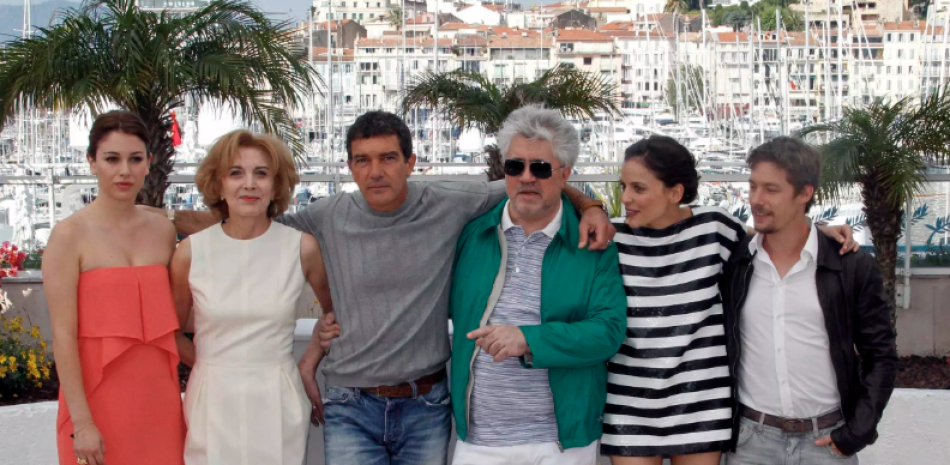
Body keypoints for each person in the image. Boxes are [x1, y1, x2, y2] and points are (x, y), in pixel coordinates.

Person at [160, 110, 614, 465]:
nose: (375, 171)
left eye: (388, 158)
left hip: (426, 403)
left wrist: (590, 204)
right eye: (363, 160)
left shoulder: (449, 202)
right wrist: (159, 223)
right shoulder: (325, 216)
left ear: (411, 162)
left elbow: (529, 181)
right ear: (351, 167)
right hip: (349, 406)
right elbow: (249, 226)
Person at [601, 136, 858, 465]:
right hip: (629, 402)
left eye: (638, 188)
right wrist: (589, 205)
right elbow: (552, 194)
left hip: (701, 400)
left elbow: (772, 237)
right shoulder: (611, 236)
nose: (625, 199)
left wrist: (822, 230)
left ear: (675, 193)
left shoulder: (715, 228)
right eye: (623, 187)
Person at [447, 106, 627, 464]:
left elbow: (608, 332)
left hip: (561, 441)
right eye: (515, 166)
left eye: (540, 168)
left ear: (565, 174)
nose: (526, 177)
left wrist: (527, 339)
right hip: (481, 441)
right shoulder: (472, 234)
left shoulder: (592, 243)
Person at [720, 137, 897, 465]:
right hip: (750, 444)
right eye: (753, 186)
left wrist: (857, 432)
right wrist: (593, 207)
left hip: (827, 444)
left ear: (804, 193)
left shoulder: (849, 265)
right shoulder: (735, 261)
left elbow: (881, 357)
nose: (756, 200)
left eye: (771, 190)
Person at [170, 130, 333, 465]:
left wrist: (308, 362)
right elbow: (171, 330)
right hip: (211, 398)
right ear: (218, 184)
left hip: (278, 397)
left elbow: (336, 312)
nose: (249, 184)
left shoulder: (301, 247)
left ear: (276, 185)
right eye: (236, 173)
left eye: (261, 173)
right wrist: (209, 366)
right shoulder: (191, 252)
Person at [45, 110, 185, 465]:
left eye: (135, 159)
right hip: (94, 410)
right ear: (92, 162)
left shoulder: (163, 231)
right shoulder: (68, 236)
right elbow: (63, 336)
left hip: (160, 407)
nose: (125, 170)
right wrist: (82, 423)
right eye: (112, 159)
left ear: (149, 163)